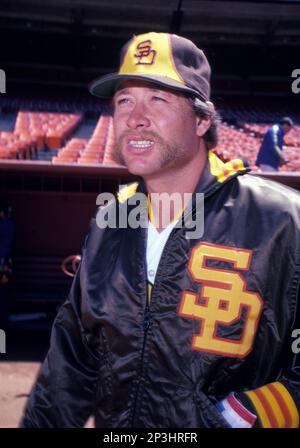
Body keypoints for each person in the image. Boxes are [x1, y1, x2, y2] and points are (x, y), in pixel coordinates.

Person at [21, 32, 300, 428]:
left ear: (202, 119)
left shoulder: (282, 218)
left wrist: (244, 415)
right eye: (124, 100)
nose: (135, 117)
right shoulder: (110, 220)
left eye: (158, 98)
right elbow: (71, 359)